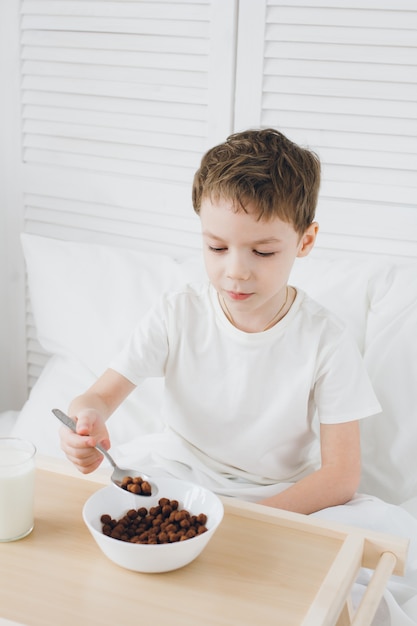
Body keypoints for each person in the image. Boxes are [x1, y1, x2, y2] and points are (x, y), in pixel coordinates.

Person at [60, 128, 381, 515]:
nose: (236, 272)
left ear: (305, 241)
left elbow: (341, 476)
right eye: (216, 247)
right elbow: (96, 397)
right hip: (175, 474)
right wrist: (84, 422)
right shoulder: (177, 312)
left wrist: (249, 521)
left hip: (281, 496)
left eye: (262, 252)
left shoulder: (327, 340)